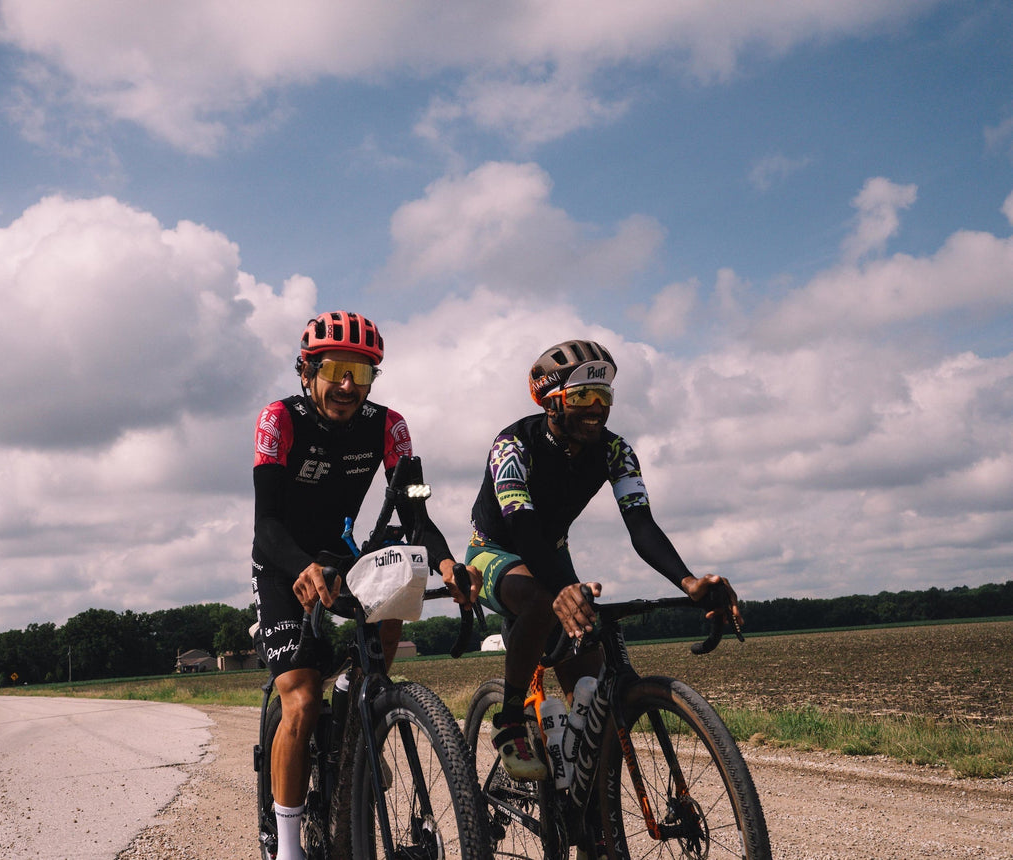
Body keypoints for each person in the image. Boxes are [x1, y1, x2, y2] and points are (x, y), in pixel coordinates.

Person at [252, 310, 480, 860]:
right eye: (336, 370)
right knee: (302, 699)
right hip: (286, 563)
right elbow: (266, 526)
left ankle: (359, 704)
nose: (349, 385)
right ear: (309, 372)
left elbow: (417, 513)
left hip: (346, 557)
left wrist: (447, 564)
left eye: (362, 371)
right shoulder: (279, 418)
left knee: (404, 564)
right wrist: (302, 567)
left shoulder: (389, 424)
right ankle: (288, 847)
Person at [466, 339, 743, 780]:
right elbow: (522, 528)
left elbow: (642, 526)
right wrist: (561, 589)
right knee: (542, 601)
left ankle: (589, 814)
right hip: (495, 552)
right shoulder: (512, 444)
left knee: (591, 699)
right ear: (552, 402)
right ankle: (511, 720)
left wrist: (688, 582)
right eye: (581, 397)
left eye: (603, 396)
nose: (596, 407)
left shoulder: (616, 451)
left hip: (553, 556)